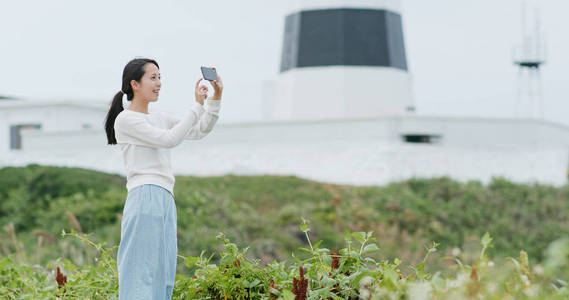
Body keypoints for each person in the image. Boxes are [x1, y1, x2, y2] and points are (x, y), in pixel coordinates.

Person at [104, 57, 223, 299]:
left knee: (163, 274)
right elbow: (168, 140)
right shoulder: (126, 120)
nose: (159, 83)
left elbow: (199, 131)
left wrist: (215, 99)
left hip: (165, 197)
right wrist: (196, 107)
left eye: (160, 78)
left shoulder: (160, 117)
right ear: (134, 84)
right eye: (153, 77)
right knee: (140, 272)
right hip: (144, 195)